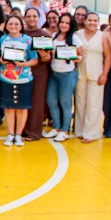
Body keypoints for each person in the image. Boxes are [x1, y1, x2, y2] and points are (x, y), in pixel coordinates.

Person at [0, 15, 39, 146]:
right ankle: (10, 134)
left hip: (24, 79)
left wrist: (24, 64)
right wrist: (1, 60)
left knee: (22, 108)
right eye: (10, 24)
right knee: (9, 108)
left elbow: (34, 59)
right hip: (6, 79)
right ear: (6, 26)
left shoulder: (28, 40)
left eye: (16, 24)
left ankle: (19, 135)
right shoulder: (3, 39)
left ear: (21, 26)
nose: (13, 26)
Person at [43, 14, 83, 142]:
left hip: (67, 74)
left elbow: (80, 56)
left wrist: (71, 57)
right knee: (51, 100)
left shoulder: (74, 38)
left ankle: (65, 130)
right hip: (54, 73)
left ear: (71, 25)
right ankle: (57, 127)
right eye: (62, 22)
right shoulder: (55, 36)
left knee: (65, 103)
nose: (64, 25)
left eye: (67, 23)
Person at [22, 7, 52, 141]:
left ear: (39, 18)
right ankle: (22, 129)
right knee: (23, 101)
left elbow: (48, 58)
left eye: (34, 16)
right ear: (24, 17)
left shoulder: (44, 34)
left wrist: (43, 54)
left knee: (37, 101)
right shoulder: (20, 32)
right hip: (22, 71)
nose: (31, 19)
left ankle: (33, 131)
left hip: (39, 72)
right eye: (29, 16)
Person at [75, 13, 105, 143]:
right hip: (80, 72)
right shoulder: (78, 34)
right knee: (80, 102)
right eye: (90, 20)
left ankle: (91, 133)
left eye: (95, 20)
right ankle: (80, 130)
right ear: (85, 21)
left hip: (96, 73)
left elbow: (108, 56)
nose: (92, 23)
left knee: (94, 103)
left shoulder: (102, 36)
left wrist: (105, 73)